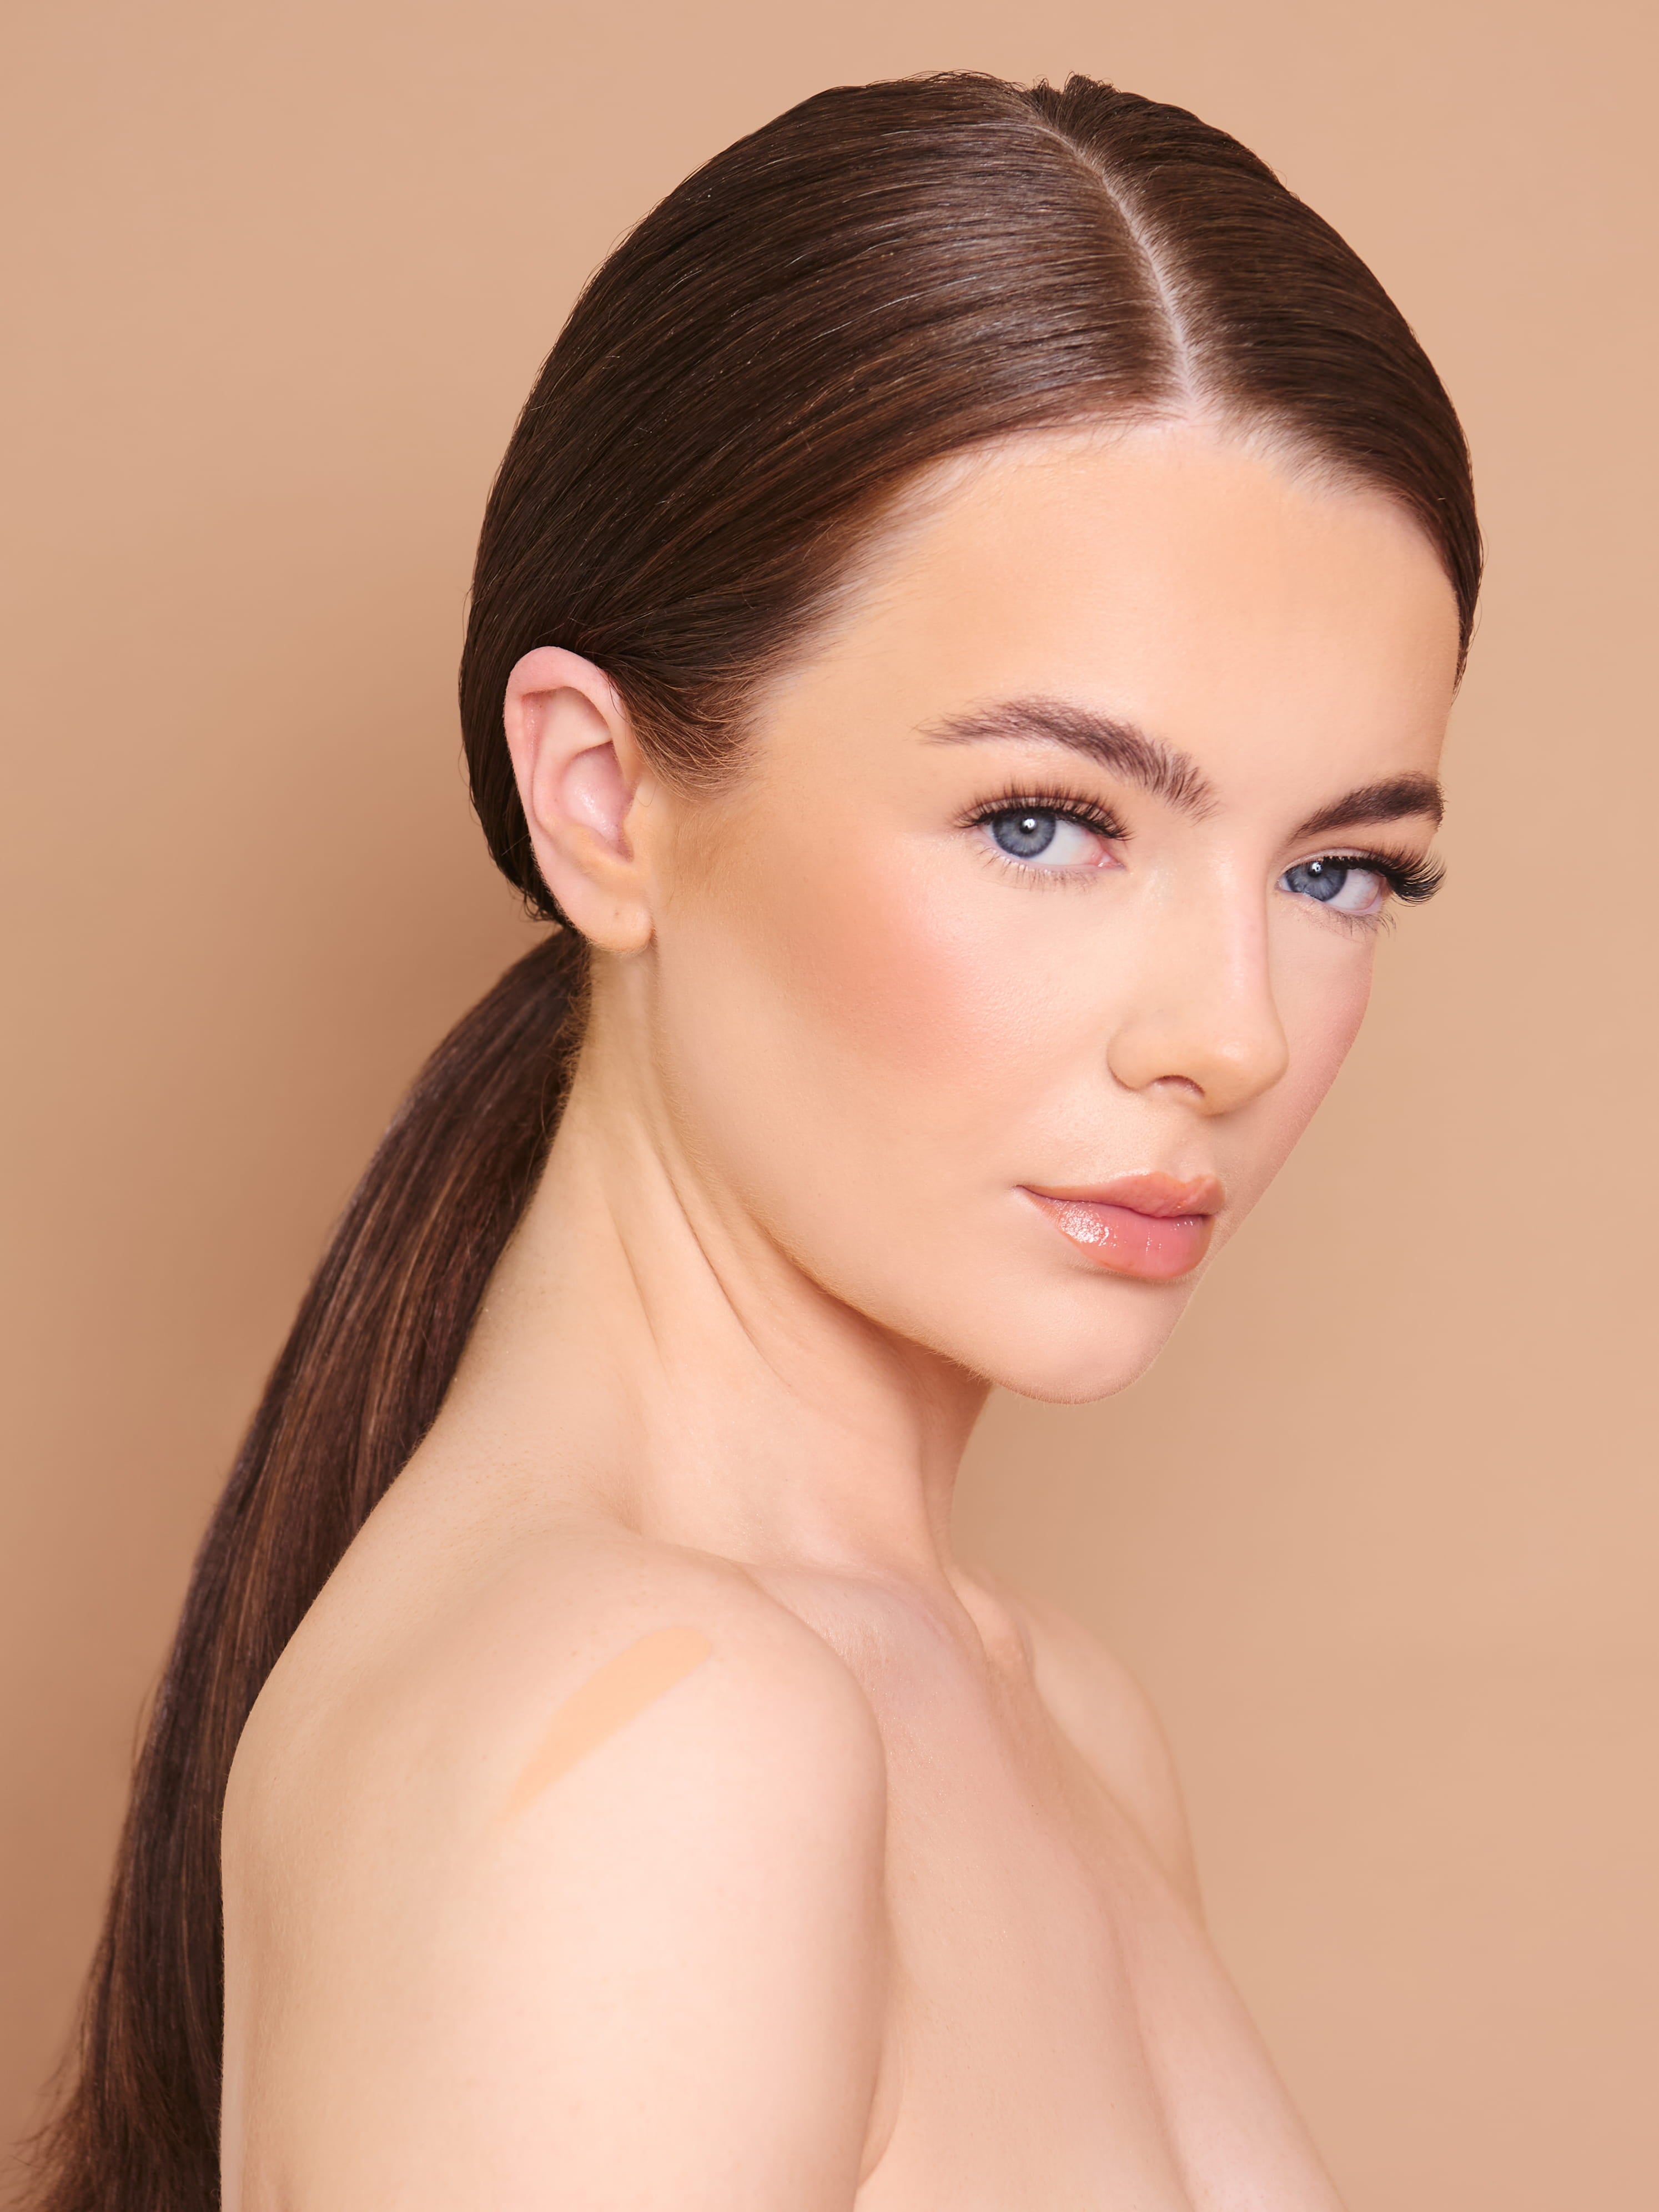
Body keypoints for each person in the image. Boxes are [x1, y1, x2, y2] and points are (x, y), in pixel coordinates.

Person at [27, 71, 1479, 2211]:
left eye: (1339, 869)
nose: (1230, 1036)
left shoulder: (1045, 1717)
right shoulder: (646, 1753)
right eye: (1044, 823)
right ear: (602, 799)